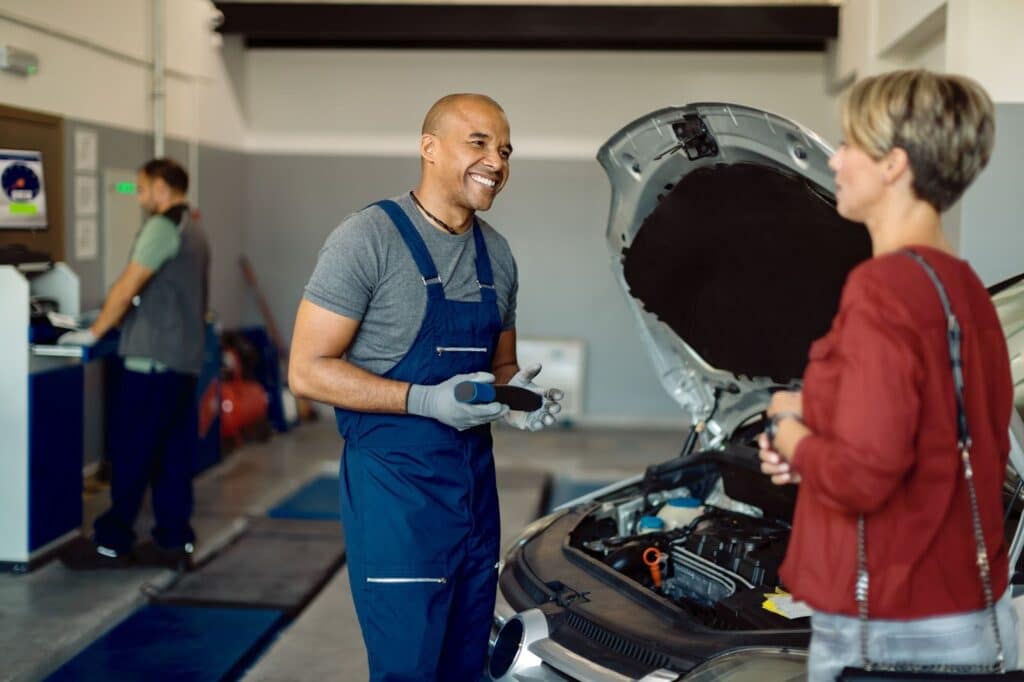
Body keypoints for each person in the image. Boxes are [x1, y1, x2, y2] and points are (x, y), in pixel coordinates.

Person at [288, 93, 563, 681]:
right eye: (480, 142)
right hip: (396, 500)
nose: (498, 161)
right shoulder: (368, 239)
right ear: (429, 148)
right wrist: (423, 400)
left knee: (467, 665)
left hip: (473, 498)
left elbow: (503, 366)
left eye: (506, 150)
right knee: (409, 669)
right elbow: (306, 369)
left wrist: (520, 398)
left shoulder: (499, 256)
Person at [758, 70, 1018, 680]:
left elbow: (862, 477)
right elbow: (929, 441)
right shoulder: (965, 288)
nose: (837, 160)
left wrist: (789, 427)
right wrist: (810, 445)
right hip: (966, 610)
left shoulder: (882, 290)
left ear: (893, 165)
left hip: (891, 628)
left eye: (849, 144)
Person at [60, 158, 210, 571]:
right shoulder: (194, 228)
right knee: (172, 455)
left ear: (161, 187)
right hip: (183, 361)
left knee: (132, 450)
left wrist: (91, 334)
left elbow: (128, 286)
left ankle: (112, 542)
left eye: (142, 189)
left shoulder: (162, 228)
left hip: (152, 363)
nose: (140, 197)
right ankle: (173, 541)